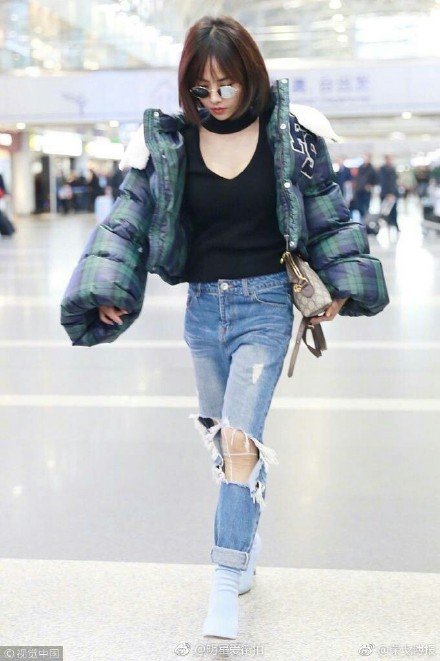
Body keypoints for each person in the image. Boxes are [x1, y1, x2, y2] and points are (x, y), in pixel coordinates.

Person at [60, 15, 389, 640]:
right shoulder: (169, 144)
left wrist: (342, 286)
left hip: (265, 307)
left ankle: (223, 578)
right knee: (224, 441)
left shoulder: (290, 134)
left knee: (240, 440)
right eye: (201, 88)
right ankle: (246, 534)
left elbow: (328, 212)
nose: (214, 98)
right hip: (202, 313)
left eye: (226, 85)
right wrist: (108, 291)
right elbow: (129, 220)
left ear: (250, 75)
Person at [352, 152, 378, 225]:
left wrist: (370, 186)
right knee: (359, 208)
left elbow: (376, 180)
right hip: (359, 191)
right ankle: (362, 223)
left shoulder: (371, 169)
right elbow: (357, 179)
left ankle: (365, 223)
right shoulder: (360, 168)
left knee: (365, 208)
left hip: (366, 192)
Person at [378, 154, 400, 233]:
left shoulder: (393, 168)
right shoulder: (383, 169)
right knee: (386, 212)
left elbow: (394, 182)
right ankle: (388, 225)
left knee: (394, 210)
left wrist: (393, 193)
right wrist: (388, 193)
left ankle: (395, 225)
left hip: (393, 193)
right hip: (386, 194)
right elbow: (384, 182)